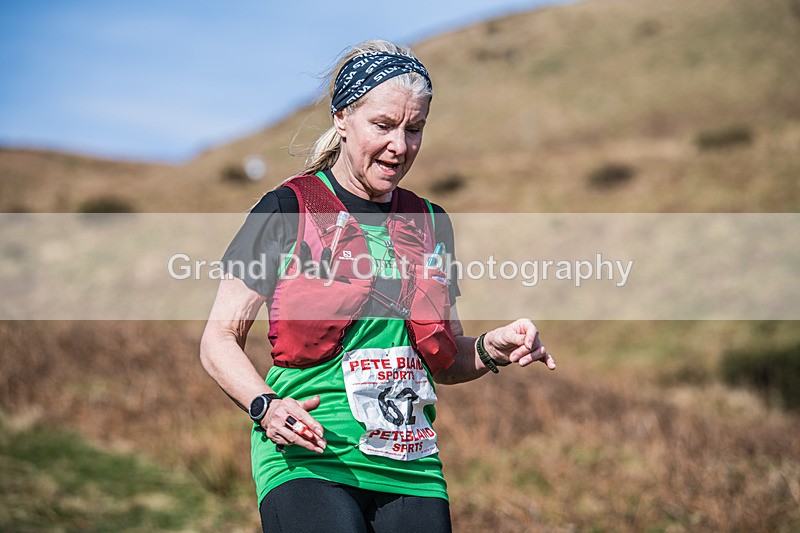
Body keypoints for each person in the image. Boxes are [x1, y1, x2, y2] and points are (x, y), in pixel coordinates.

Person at [200, 39, 556, 533]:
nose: (400, 146)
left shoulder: (431, 221)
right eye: (383, 125)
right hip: (309, 456)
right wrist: (266, 406)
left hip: (412, 466)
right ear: (342, 119)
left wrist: (492, 348)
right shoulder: (287, 208)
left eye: (414, 129)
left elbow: (445, 358)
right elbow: (218, 339)